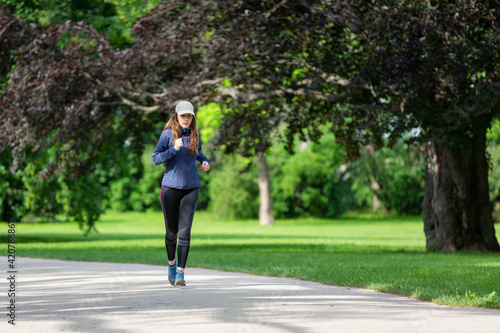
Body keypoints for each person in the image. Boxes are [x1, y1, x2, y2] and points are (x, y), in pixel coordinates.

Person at [152, 101, 210, 286]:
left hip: (191, 188)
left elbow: (198, 152)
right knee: (172, 234)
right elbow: (155, 159)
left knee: (185, 233)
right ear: (176, 116)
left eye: (189, 116)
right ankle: (171, 264)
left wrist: (204, 160)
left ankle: (180, 273)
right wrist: (173, 149)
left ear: (192, 117)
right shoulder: (167, 135)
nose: (186, 119)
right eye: (183, 115)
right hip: (170, 189)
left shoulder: (195, 134)